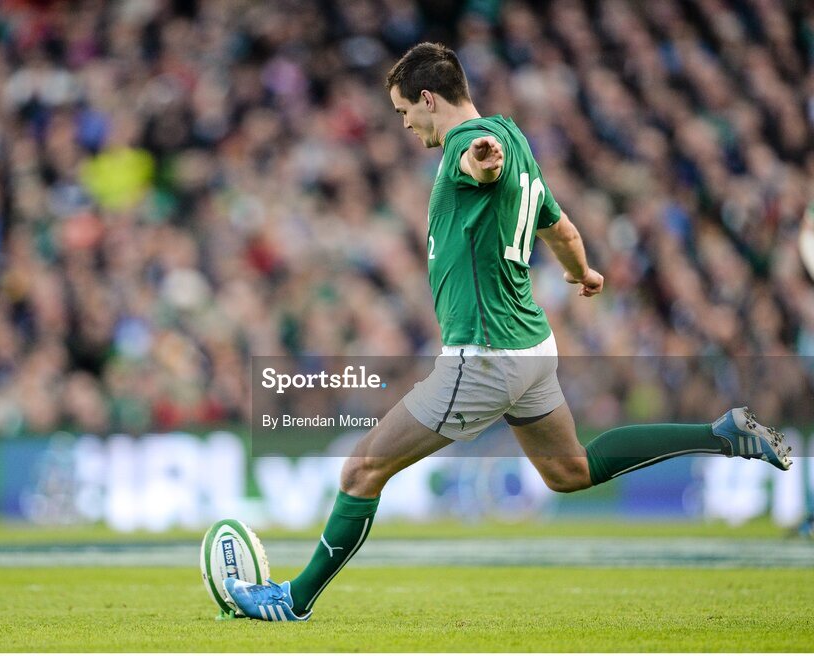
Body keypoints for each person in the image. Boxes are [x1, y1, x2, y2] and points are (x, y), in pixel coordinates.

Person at [224, 43, 792, 622]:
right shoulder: (519, 143)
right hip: (532, 350)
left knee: (362, 468)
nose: (405, 125)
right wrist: (584, 273)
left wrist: (481, 159)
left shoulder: (465, 150)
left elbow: (480, 161)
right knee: (570, 470)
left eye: (404, 112)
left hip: (485, 358)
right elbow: (562, 229)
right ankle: (722, 434)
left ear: (428, 99)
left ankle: (291, 603)